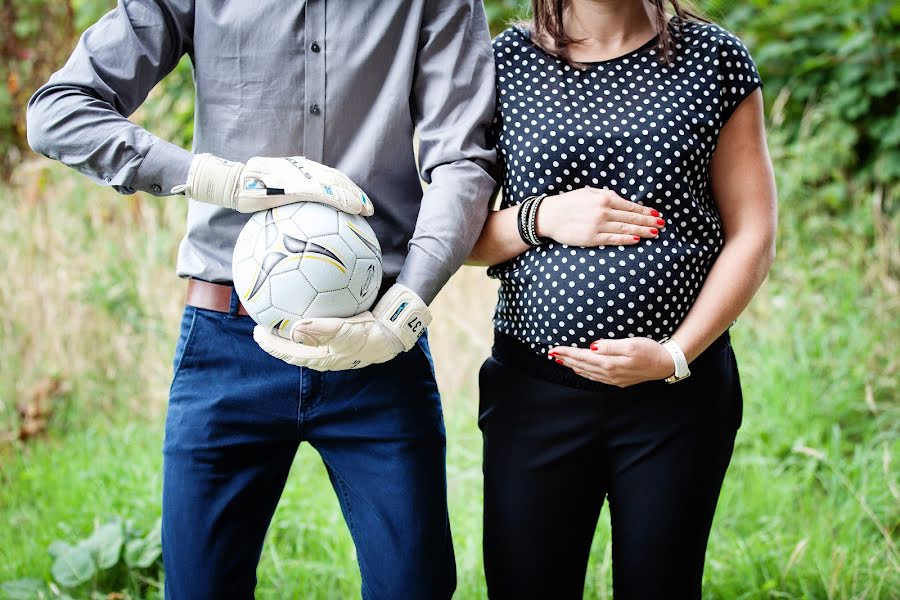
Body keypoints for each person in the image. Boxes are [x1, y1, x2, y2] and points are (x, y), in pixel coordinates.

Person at [26, 2, 497, 598]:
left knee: (416, 586)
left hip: (379, 340)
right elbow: (58, 113)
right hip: (224, 345)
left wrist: (407, 309)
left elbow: (462, 159)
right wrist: (218, 179)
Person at [469, 0, 777, 597]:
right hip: (535, 395)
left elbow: (753, 234)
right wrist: (543, 217)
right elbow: (455, 236)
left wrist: (674, 356)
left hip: (677, 398)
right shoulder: (499, 64)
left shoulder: (715, 58)